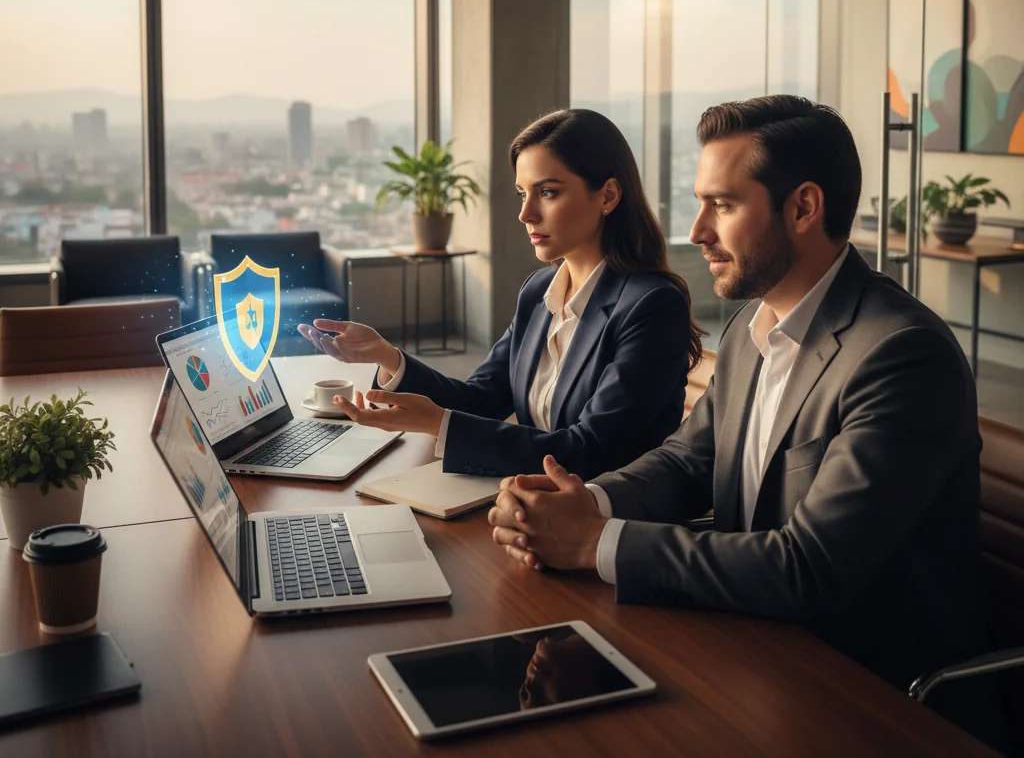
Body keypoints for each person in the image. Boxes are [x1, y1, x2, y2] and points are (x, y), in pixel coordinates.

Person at [488, 96, 1006, 746]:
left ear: (803, 208)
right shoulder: (751, 328)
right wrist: (582, 502)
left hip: (872, 691)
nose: (698, 230)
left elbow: (810, 569)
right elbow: (687, 462)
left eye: (723, 206)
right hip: (752, 641)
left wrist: (594, 542)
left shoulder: (900, 354)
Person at [298, 108, 702, 480]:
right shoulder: (539, 291)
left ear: (608, 196)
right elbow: (481, 400)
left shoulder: (651, 306)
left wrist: (439, 423)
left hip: (598, 522)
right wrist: (388, 356)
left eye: (547, 192)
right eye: (523, 194)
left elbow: (590, 451)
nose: (526, 214)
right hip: (526, 496)